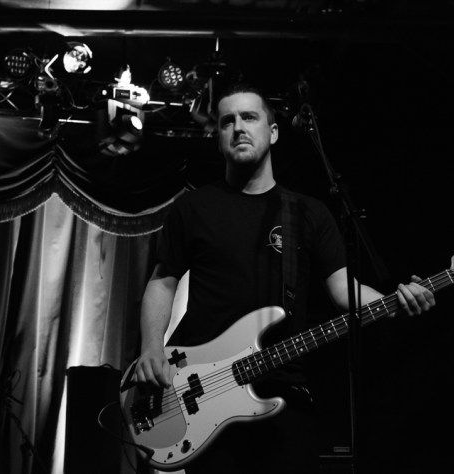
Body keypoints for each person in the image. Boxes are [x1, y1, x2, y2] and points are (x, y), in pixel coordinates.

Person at [132, 83, 435, 473]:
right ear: (218, 137)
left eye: (249, 117)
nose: (238, 128)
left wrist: (395, 303)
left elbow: (345, 290)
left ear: (273, 132)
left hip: (284, 391)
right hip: (203, 391)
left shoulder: (307, 213)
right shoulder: (193, 207)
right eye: (227, 121)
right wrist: (151, 348)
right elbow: (162, 281)